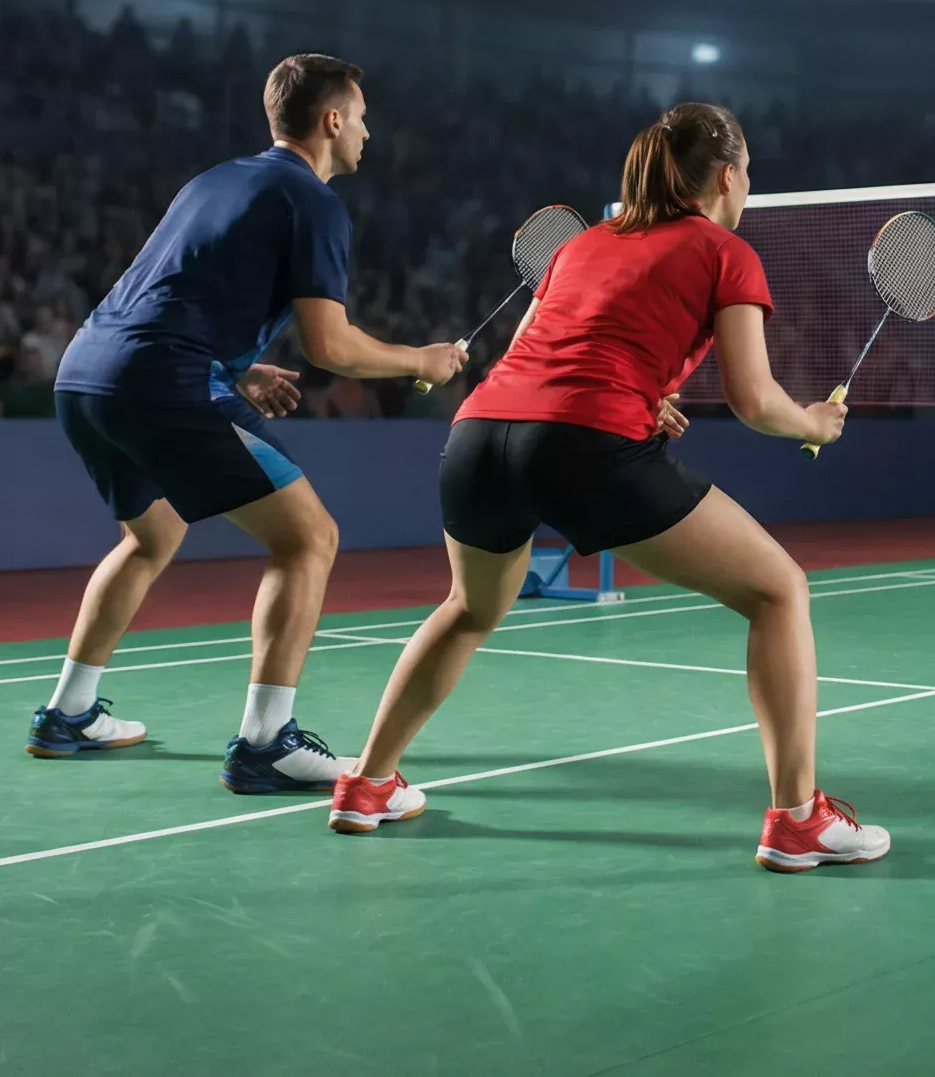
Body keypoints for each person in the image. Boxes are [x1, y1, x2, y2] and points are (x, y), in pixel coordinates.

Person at [324, 102, 883, 874]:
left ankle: (366, 783)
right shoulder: (727, 252)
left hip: (479, 436)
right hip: (582, 444)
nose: (748, 182)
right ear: (728, 175)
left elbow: (533, 355)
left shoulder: (585, 243)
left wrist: (640, 395)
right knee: (779, 591)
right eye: (748, 167)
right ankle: (797, 821)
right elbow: (756, 401)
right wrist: (813, 424)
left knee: (468, 608)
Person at [36, 54, 468, 792]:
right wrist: (417, 358)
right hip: (163, 380)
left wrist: (234, 368)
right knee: (309, 538)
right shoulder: (316, 202)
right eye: (361, 116)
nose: (368, 131)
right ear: (332, 120)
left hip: (84, 373)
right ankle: (266, 741)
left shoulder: (214, 179)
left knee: (152, 535)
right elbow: (330, 347)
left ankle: (67, 714)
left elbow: (172, 291)